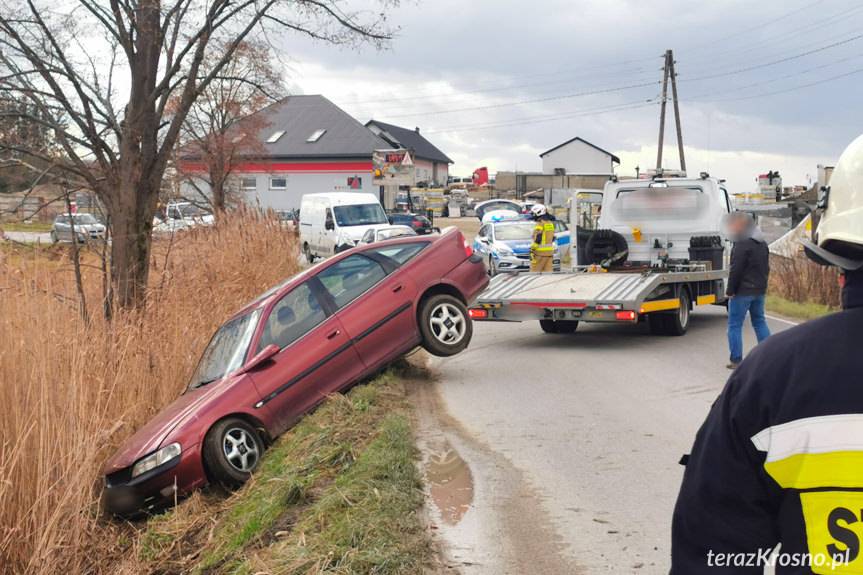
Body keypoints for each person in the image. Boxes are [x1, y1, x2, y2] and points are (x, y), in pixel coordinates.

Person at [670, 133, 863, 574]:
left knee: (743, 331)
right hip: (760, 296)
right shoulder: (760, 247)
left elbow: (715, 557)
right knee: (759, 326)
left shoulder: (772, 378)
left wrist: (732, 291)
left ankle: (736, 353)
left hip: (745, 296)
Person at [725, 211, 771, 369]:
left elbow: (736, 269)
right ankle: (769, 356)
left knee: (734, 325)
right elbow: (767, 267)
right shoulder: (762, 243)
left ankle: (736, 360)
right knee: (759, 322)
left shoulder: (742, 243)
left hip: (742, 291)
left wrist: (730, 290)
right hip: (759, 290)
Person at [530, 204, 555, 273]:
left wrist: (532, 248)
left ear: (538, 212)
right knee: (547, 275)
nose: (533, 216)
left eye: (533, 214)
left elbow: (538, 237)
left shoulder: (540, 223)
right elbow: (553, 238)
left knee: (534, 274)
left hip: (539, 253)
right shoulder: (550, 223)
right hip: (549, 253)